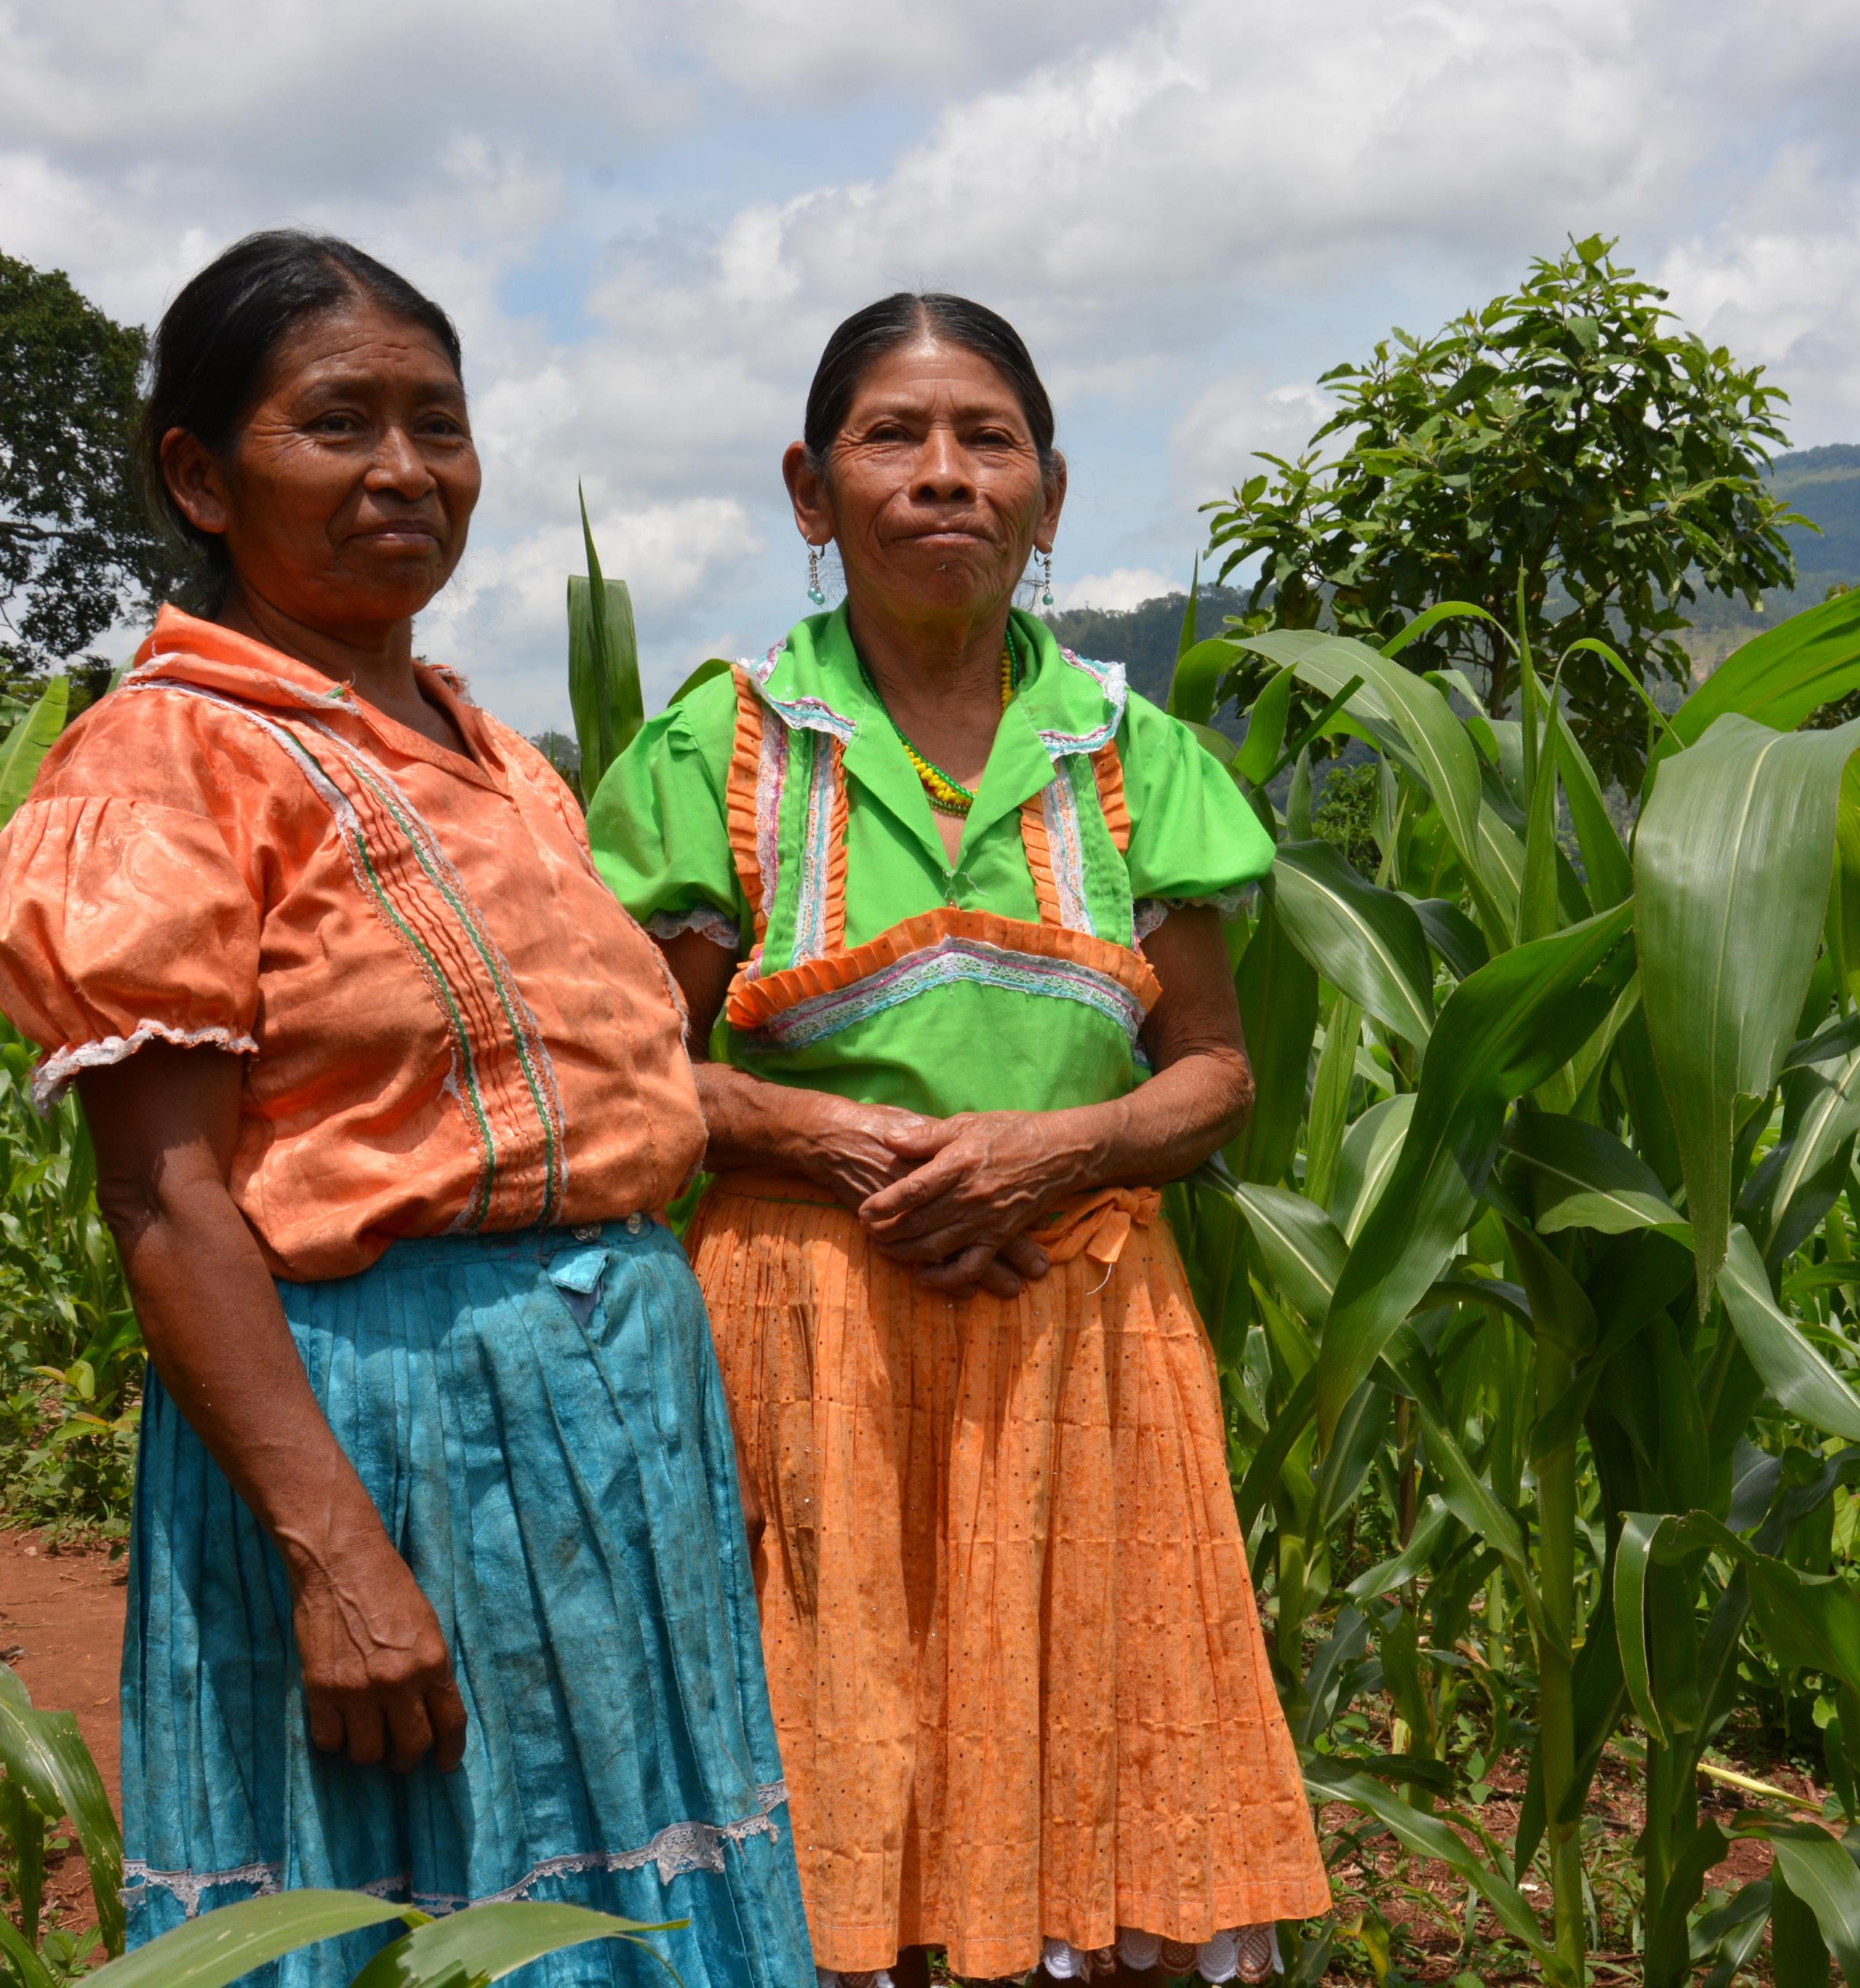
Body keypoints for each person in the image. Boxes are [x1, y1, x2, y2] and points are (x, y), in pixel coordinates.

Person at [0, 230, 815, 1988]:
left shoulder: (490, 746)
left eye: (438, 423)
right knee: (425, 1900)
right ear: (198, 477)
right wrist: (337, 1548)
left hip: (609, 1404)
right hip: (386, 1422)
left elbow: (601, 1099)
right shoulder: (166, 760)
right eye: (336, 425)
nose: (404, 472)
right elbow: (168, 1200)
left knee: (630, 1876)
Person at [588, 293, 1329, 1988]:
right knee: (833, 1765)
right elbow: (629, 1064)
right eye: (892, 437)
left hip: (1079, 1330)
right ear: (809, 488)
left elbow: (1210, 1072)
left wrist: (1054, 1154)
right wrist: (855, 1143)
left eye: (987, 439)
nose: (945, 477)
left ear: (1048, 494)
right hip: (805, 1339)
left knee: (1092, 1758)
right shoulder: (727, 746)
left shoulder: (1135, 758)